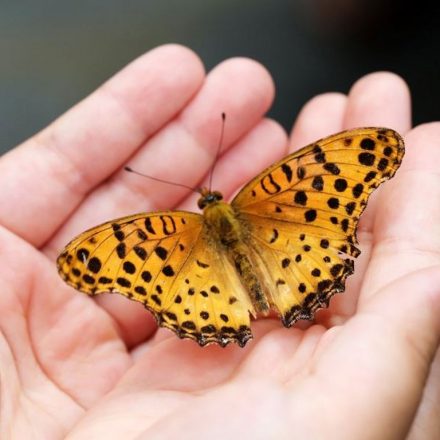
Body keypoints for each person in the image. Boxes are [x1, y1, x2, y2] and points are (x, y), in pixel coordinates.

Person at [0, 44, 438, 439]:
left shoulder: (156, 233)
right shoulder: (270, 191)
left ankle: (239, 315)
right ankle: (290, 296)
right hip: (295, 255)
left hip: (205, 292)